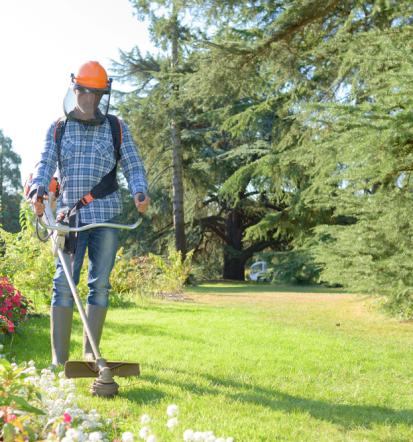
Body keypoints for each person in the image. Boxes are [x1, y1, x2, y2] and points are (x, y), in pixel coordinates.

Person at [29, 61, 149, 367]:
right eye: (84, 92)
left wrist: (139, 192)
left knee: (100, 284)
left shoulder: (115, 127)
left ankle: (90, 354)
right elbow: (45, 163)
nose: (89, 99)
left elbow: (133, 164)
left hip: (106, 217)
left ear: (101, 95)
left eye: (95, 94)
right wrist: (38, 191)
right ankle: (59, 360)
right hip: (70, 219)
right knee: (63, 284)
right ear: (75, 90)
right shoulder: (59, 127)